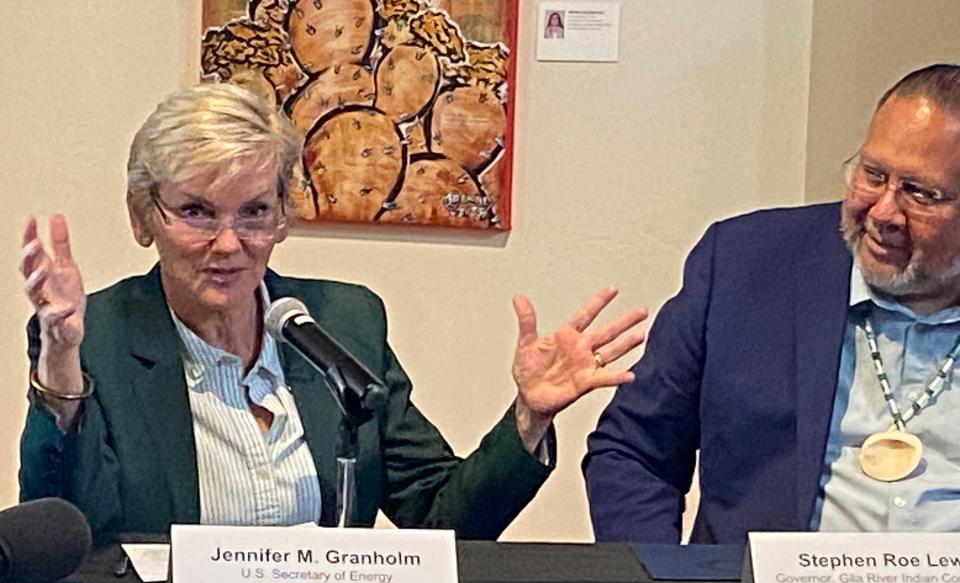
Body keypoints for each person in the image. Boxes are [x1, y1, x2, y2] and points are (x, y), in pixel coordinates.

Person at [19, 82, 647, 542]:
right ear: (141, 216)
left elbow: (437, 516)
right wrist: (62, 368)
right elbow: (69, 529)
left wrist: (528, 419)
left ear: (284, 217)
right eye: (197, 212)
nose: (229, 243)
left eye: (255, 212)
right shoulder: (96, 336)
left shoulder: (340, 323)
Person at [585, 63, 960, 543]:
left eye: (919, 193)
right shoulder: (745, 266)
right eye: (873, 175)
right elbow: (632, 451)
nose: (884, 212)